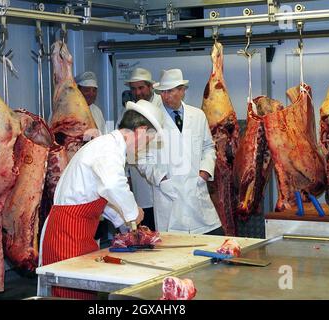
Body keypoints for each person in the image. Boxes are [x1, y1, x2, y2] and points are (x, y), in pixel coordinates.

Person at [39, 99, 164, 299]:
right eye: (147, 141)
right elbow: (113, 185)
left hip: (79, 235)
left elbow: (102, 197)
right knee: (70, 294)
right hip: (67, 236)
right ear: (140, 130)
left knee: (85, 294)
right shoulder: (109, 148)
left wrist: (124, 223)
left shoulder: (108, 146)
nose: (143, 148)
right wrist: (133, 212)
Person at [138, 68, 224, 235]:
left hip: (196, 192)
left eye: (170, 91)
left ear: (182, 90)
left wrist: (205, 172)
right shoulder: (150, 118)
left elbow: (208, 147)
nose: (165, 96)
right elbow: (141, 157)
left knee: (212, 243)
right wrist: (160, 178)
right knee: (175, 252)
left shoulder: (197, 115)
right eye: (162, 92)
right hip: (168, 196)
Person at [122, 67, 162, 230]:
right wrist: (126, 177)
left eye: (141, 87)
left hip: (162, 172)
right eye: (133, 88)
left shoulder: (161, 106)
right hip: (139, 180)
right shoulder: (129, 110)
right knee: (146, 225)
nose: (137, 92)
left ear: (150, 87)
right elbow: (126, 149)